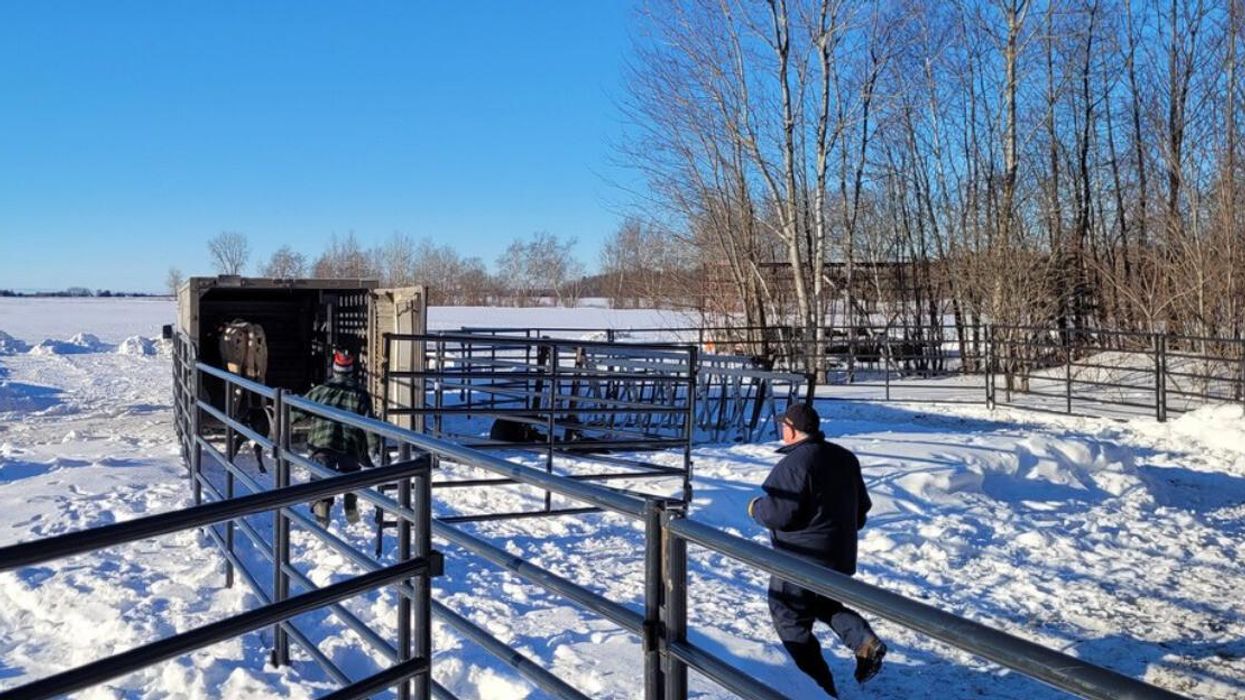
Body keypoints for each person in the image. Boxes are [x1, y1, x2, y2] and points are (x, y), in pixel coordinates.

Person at [748, 402, 886, 698]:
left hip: (799, 558)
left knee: (789, 617)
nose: (780, 430)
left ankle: (816, 689)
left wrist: (755, 508)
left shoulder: (796, 464)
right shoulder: (844, 457)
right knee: (822, 603)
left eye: (783, 425)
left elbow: (779, 513)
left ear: (792, 429)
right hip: (838, 555)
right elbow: (862, 508)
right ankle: (863, 640)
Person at [303, 349, 376, 526]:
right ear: (352, 370)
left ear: (334, 369)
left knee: (320, 477)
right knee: (351, 473)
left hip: (322, 443)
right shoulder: (360, 393)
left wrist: (279, 421)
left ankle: (322, 510)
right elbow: (369, 423)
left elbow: (298, 408)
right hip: (349, 444)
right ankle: (351, 505)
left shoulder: (321, 390)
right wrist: (373, 447)